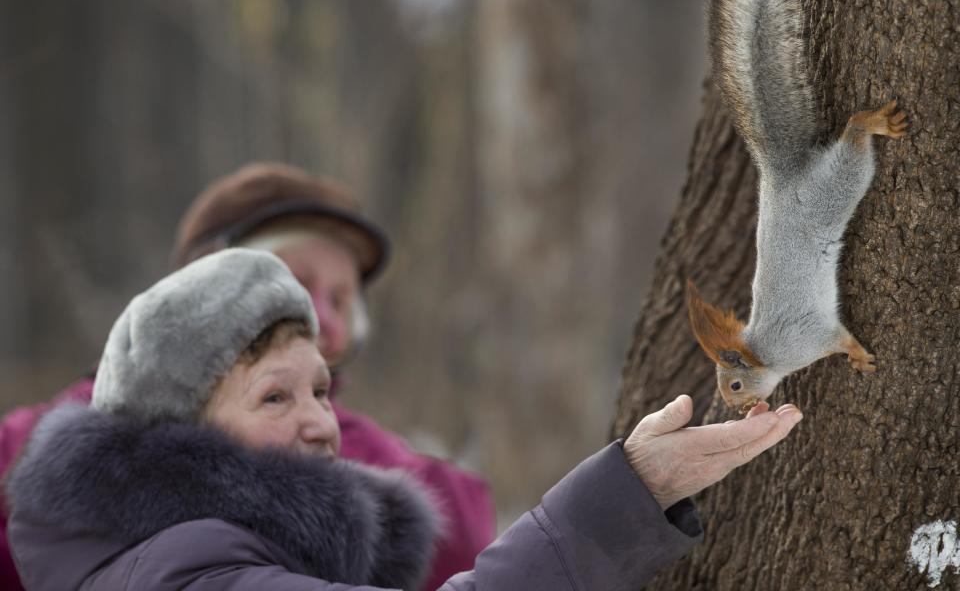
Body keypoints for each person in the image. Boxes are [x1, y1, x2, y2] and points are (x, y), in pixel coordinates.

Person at [6, 249, 803, 590]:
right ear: (175, 444)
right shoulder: (187, 572)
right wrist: (629, 492)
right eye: (275, 397)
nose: (322, 423)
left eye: (321, 390)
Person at [0, 163, 494, 591]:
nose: (325, 319)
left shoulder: (344, 432)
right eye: (297, 282)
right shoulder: (49, 445)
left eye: (343, 300)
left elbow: (464, 532)